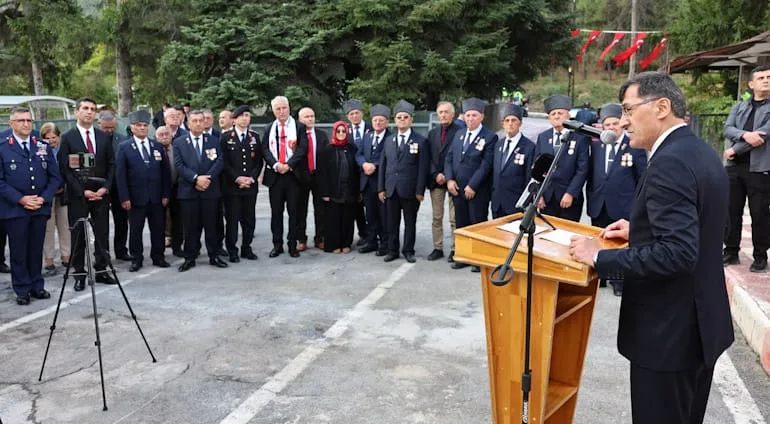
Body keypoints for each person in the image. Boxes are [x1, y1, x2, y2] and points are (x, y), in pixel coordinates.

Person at [569, 72, 734, 424]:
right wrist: (639, 229)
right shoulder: (698, 150)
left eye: (629, 109)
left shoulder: (669, 163)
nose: (623, 120)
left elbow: (677, 252)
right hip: (697, 327)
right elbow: (701, 225)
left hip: (668, 337)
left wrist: (598, 256)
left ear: (662, 107)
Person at [0, 107, 62, 305]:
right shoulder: (3, 147)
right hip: (15, 209)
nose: (26, 124)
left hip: (39, 207)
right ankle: (22, 288)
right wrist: (21, 199)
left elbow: (55, 177)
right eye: (20, 120)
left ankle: (37, 285)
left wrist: (43, 198)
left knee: (36, 249)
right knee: (18, 251)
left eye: (28, 120)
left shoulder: (42, 145)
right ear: (11, 124)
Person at [586, 103, 647, 296]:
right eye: (607, 125)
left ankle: (618, 279)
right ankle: (600, 276)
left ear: (621, 124)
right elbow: (592, 174)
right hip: (599, 203)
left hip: (622, 205)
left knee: (618, 244)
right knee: (600, 238)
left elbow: (641, 177)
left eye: (614, 124)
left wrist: (637, 205)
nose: (611, 128)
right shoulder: (597, 147)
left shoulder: (633, 147)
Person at [57, 97, 117, 291]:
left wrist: (105, 188)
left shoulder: (103, 136)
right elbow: (65, 169)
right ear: (76, 112)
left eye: (92, 109)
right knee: (79, 235)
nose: (89, 112)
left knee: (102, 234)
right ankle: (80, 274)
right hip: (79, 196)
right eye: (85, 108)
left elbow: (111, 165)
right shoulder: (68, 137)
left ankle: (101, 270)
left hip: (100, 196)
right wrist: (82, 191)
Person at [721, 65, 770, 272]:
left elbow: (763, 135)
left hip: (760, 168)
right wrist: (744, 135)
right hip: (735, 169)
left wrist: (735, 149)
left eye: (769, 77)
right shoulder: (739, 106)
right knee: (732, 211)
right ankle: (731, 251)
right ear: (751, 84)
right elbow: (727, 128)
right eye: (761, 78)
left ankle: (760, 256)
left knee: (760, 214)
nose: (766, 80)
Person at [445, 98, 497, 272]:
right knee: (462, 224)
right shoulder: (459, 134)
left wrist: (473, 185)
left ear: (481, 117)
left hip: (477, 190)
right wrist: (450, 180)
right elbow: (450, 158)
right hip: (457, 188)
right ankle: (463, 256)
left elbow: (486, 164)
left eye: (474, 115)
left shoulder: (490, 137)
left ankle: (478, 260)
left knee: (477, 223)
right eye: (467, 115)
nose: (470, 119)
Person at [116, 111, 171, 272]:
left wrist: (166, 194)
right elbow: (121, 175)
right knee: (135, 230)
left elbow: (165, 173)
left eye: (145, 126)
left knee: (158, 229)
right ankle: (136, 258)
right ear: (132, 128)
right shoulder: (124, 147)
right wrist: (124, 197)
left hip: (156, 197)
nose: (142, 128)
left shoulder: (157, 146)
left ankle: (158, 256)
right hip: (135, 198)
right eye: (138, 125)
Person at [174, 110, 227, 271]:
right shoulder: (179, 142)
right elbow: (179, 165)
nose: (198, 123)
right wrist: (196, 178)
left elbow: (219, 161)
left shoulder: (213, 140)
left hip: (210, 190)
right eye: (194, 121)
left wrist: (206, 178)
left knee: (211, 225)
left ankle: (214, 255)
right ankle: (190, 257)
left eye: (201, 121)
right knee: (190, 227)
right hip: (189, 191)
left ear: (205, 123)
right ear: (188, 123)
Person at [377, 100, 429, 263]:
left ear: (411, 119)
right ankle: (392, 250)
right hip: (391, 189)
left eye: (405, 117)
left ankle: (408, 250)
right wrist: (381, 188)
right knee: (391, 223)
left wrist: (420, 190)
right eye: (399, 117)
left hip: (410, 189)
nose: (402, 120)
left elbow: (423, 167)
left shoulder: (420, 141)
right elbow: (383, 166)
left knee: (410, 223)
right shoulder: (389, 140)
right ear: (395, 119)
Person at [261, 96, 309, 258]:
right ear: (273, 111)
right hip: (275, 175)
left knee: (294, 212)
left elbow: (303, 148)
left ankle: (292, 244)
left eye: (284, 108)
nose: (281, 111)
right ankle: (277, 245)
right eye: (278, 109)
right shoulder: (269, 128)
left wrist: (288, 165)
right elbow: (265, 149)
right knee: (276, 213)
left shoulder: (299, 127)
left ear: (289, 108)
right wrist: (276, 165)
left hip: (293, 175)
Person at [534, 94, 590, 222]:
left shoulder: (580, 138)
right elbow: (537, 167)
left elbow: (583, 169)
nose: (556, 116)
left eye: (560, 113)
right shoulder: (543, 137)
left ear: (568, 115)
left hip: (569, 198)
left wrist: (570, 193)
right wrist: (538, 194)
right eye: (553, 114)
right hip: (547, 198)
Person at [220, 105, 263, 262]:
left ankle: (247, 247)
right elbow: (224, 162)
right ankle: (232, 250)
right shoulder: (226, 138)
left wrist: (252, 177)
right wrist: (237, 178)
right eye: (242, 116)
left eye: (247, 115)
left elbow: (259, 161)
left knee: (249, 219)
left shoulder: (254, 137)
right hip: (232, 187)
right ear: (234, 119)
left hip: (250, 186)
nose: (245, 118)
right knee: (232, 220)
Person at [426, 101, 462, 262]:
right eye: (440, 112)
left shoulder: (460, 132)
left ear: (453, 114)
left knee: (454, 218)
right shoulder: (433, 133)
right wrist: (435, 174)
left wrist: (448, 176)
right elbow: (430, 157)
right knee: (436, 216)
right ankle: (437, 247)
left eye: (447, 112)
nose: (443, 115)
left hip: (453, 179)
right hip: (436, 180)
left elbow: (458, 158)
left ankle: (456, 249)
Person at [318, 121, 359, 253]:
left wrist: (358, 191)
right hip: (332, 191)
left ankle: (346, 243)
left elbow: (357, 172)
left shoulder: (352, 149)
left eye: (343, 131)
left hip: (349, 190)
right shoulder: (327, 150)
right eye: (338, 131)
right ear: (334, 132)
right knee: (333, 219)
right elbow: (322, 173)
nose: (341, 134)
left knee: (347, 218)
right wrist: (324, 192)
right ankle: (334, 244)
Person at [356, 104, 391, 256]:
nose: (377, 123)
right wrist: (363, 163)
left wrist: (374, 166)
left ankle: (384, 244)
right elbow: (359, 154)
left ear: (387, 122)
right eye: (375, 120)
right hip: (367, 183)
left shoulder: (391, 138)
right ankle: (371, 241)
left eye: (381, 120)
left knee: (383, 215)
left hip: (382, 183)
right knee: (370, 214)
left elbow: (390, 159)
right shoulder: (368, 136)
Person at [491, 103, 535, 219]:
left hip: (515, 204)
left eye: (513, 120)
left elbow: (529, 178)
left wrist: (526, 202)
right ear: (502, 123)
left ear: (520, 123)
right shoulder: (498, 145)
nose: (510, 124)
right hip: (497, 203)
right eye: (507, 120)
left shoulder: (529, 147)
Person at [98, 110, 131, 262]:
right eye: (106, 128)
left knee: (122, 221)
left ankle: (121, 250)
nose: (109, 131)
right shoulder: (95, 139)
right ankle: (102, 254)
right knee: (101, 223)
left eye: (112, 127)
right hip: (100, 186)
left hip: (119, 187)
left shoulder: (123, 140)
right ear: (99, 125)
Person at [40, 123, 70, 277]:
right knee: (48, 228)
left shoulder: (63, 151)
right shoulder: (40, 152)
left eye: (54, 137)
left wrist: (64, 185)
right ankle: (49, 259)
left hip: (63, 193)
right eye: (48, 138)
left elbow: (69, 170)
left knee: (65, 225)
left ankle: (66, 256)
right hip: (47, 194)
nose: (51, 141)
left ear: (59, 137)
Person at [297, 107, 329, 251]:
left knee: (321, 209)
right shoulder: (296, 136)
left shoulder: (322, 135)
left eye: (312, 116)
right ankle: (301, 239)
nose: (310, 119)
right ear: (300, 120)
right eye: (306, 117)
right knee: (300, 209)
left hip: (319, 176)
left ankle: (320, 238)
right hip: (302, 176)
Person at [344, 99, 371, 246]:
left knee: (372, 206)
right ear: (348, 116)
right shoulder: (344, 130)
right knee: (357, 207)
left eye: (357, 113)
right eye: (351, 114)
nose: (354, 116)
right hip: (352, 175)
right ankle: (363, 234)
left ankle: (375, 233)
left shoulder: (371, 127)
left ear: (362, 113)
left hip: (369, 172)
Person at [155, 126, 183, 257]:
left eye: (167, 134)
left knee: (177, 220)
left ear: (171, 135)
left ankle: (177, 247)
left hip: (177, 188)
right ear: (156, 137)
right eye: (161, 135)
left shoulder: (177, 149)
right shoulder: (153, 149)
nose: (164, 137)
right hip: (159, 191)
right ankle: (159, 251)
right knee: (159, 221)